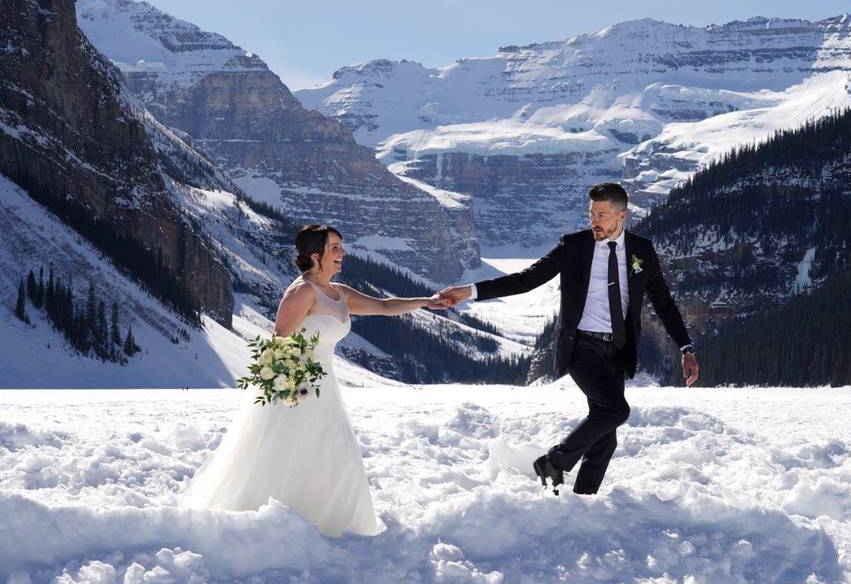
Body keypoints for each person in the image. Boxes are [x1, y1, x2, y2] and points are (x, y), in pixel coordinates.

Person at [182, 224, 446, 535]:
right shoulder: (302, 292)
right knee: (292, 453)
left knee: (335, 451)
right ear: (315, 256)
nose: (342, 253)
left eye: (341, 246)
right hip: (299, 389)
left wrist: (428, 301)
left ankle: (334, 525)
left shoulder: (339, 293)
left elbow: (385, 306)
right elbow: (279, 342)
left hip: (327, 386)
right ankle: (277, 528)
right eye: (335, 247)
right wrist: (295, 386)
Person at [439, 183, 699, 495]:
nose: (594, 220)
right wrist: (470, 291)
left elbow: (664, 303)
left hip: (617, 350)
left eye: (602, 214)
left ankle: (583, 500)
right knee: (616, 411)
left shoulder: (642, 251)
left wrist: (686, 347)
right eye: (591, 214)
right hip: (581, 347)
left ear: (622, 216)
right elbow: (527, 279)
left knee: (606, 434)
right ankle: (553, 462)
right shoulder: (573, 246)